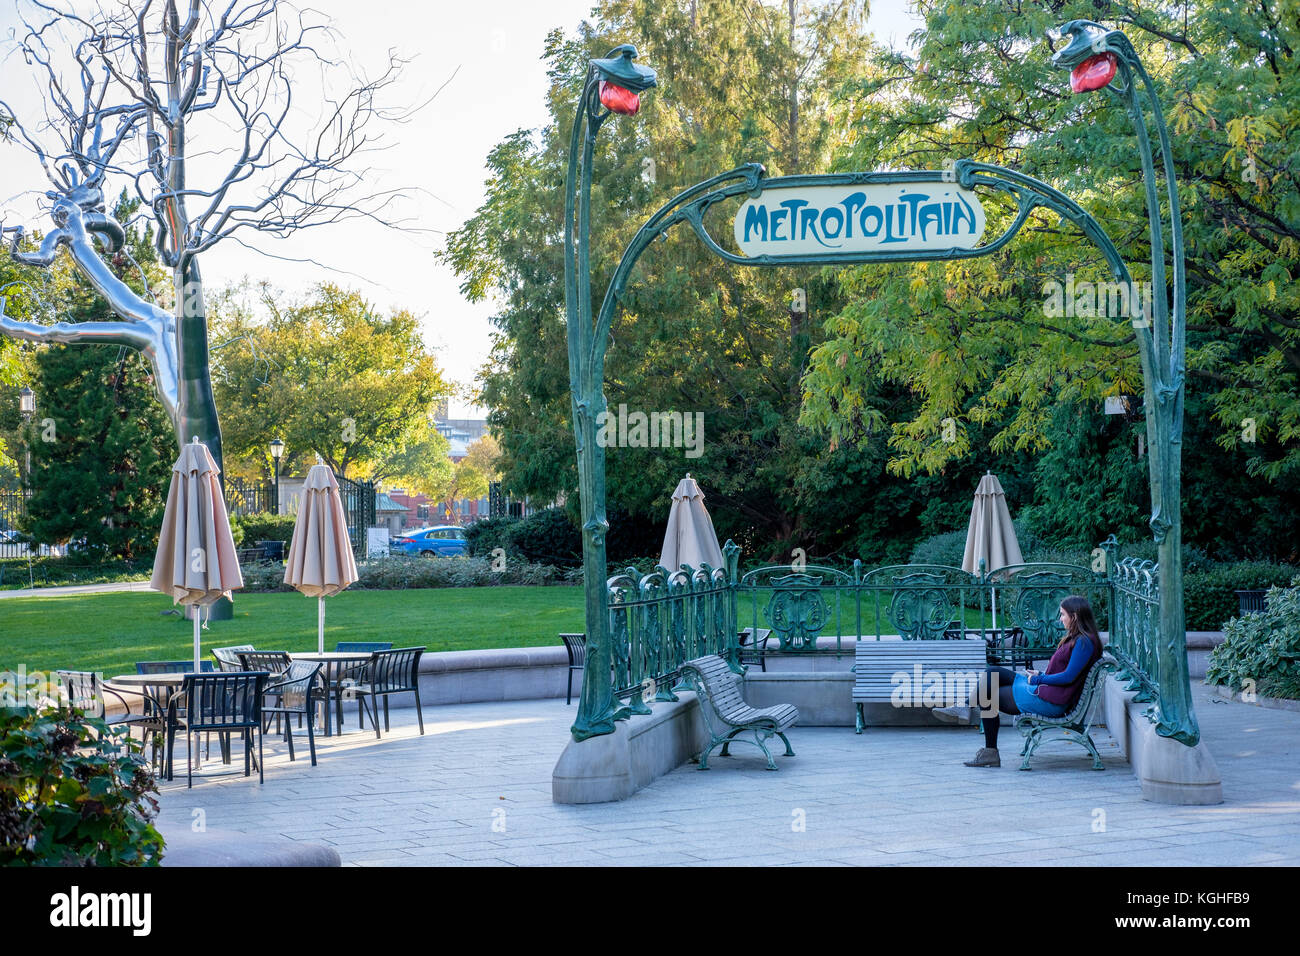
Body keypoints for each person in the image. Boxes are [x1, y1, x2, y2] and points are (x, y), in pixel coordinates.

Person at [961, 595, 1104, 768]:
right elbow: (1067, 672)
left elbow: (1069, 677)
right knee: (992, 672)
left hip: (1051, 701)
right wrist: (1040, 673)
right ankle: (966, 709)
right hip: (1049, 691)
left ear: (1074, 616)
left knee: (987, 695)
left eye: (1063, 615)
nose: (1060, 619)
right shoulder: (1082, 639)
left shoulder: (1083, 642)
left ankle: (988, 749)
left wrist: (1038, 679)